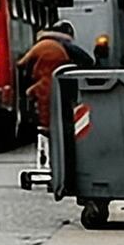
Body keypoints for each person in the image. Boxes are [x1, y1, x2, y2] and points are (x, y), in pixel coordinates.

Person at [19, 20, 82, 169]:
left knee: (44, 120)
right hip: (59, 87)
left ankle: (46, 154)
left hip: (42, 87)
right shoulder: (65, 46)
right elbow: (87, 60)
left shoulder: (40, 46)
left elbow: (22, 63)